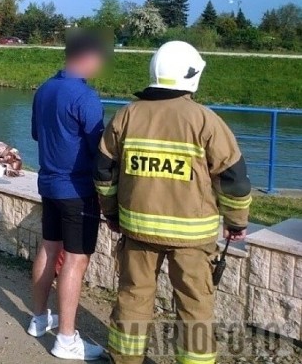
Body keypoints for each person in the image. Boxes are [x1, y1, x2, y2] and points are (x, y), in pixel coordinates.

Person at [95, 41, 251, 364]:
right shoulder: (205, 121)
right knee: (195, 307)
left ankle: (124, 359)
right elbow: (233, 176)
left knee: (133, 300)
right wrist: (236, 222)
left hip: (138, 231)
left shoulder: (127, 115)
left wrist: (110, 213)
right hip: (193, 238)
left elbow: (103, 169)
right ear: (190, 76)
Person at [27, 30, 109, 361]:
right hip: (77, 190)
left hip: (48, 183)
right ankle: (66, 339)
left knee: (48, 248)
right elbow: (100, 149)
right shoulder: (85, 97)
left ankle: (39, 318)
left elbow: (35, 133)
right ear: (88, 57)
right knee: (75, 260)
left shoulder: (45, 89)